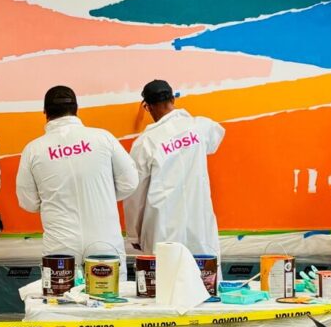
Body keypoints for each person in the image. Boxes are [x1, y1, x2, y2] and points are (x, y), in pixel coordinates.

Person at [16, 86, 139, 279]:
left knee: (60, 297)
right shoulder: (103, 138)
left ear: (45, 112)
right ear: (76, 108)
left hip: (60, 245)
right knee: (109, 296)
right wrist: (101, 195)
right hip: (104, 240)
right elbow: (130, 182)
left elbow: (28, 202)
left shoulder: (33, 150)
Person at [124, 79, 225, 264]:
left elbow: (134, 193)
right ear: (173, 99)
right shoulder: (201, 126)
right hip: (199, 224)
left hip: (162, 228)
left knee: (165, 277)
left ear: (148, 107)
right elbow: (217, 136)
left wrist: (134, 234)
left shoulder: (145, 142)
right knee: (204, 276)